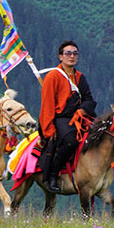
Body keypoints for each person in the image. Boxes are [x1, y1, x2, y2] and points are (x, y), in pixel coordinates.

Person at [38, 40, 96, 193]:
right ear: (60, 57)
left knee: (99, 136)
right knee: (70, 141)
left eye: (75, 53)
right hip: (59, 118)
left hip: (79, 117)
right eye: (68, 53)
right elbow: (47, 105)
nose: (72, 56)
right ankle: (52, 175)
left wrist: (82, 110)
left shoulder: (80, 77)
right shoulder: (52, 77)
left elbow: (89, 99)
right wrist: (48, 128)